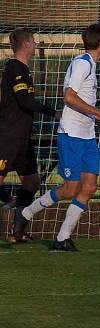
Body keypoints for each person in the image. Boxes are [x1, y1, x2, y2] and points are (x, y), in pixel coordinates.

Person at [16, 23, 100, 252]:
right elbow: (69, 97)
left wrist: (97, 121)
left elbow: (83, 102)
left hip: (87, 135)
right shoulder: (82, 64)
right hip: (71, 135)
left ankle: (62, 238)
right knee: (70, 189)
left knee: (89, 187)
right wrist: (99, 113)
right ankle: (26, 212)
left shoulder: (90, 65)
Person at [0, 28, 60, 243]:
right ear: (26, 44)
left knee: (32, 183)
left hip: (23, 137)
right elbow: (25, 100)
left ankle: (17, 230)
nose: (35, 43)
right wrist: (54, 112)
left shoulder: (24, 69)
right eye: (33, 40)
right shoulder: (14, 67)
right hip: (9, 136)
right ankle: (7, 199)